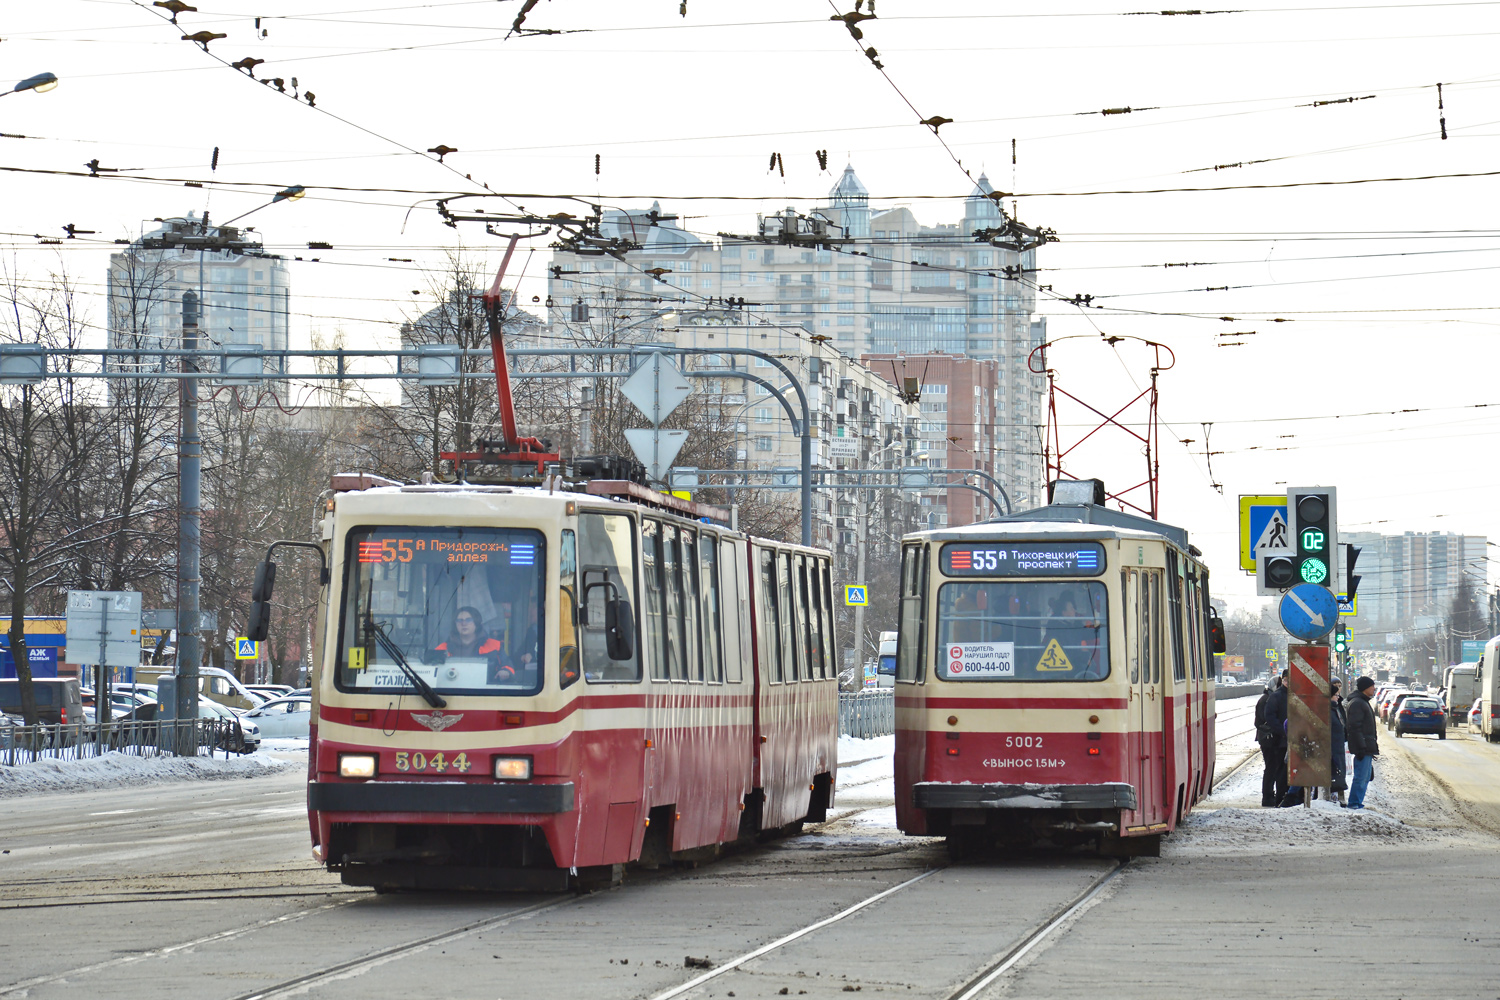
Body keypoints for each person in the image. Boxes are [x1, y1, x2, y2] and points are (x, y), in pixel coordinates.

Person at [1345, 675, 1380, 809]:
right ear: (1365, 688)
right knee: (1361, 777)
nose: (1374, 689)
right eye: (1372, 686)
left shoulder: (1362, 701)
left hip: (1365, 746)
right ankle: (1354, 803)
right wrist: (1361, 747)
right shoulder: (1358, 703)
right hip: (1363, 747)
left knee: (1365, 777)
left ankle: (1357, 802)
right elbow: (1354, 727)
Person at [437, 606, 502, 658]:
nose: (464, 623)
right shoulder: (442, 648)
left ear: (477, 622)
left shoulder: (494, 645)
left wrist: (505, 670)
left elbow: (507, 665)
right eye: (460, 620)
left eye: (468, 620)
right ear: (455, 624)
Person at [1266, 669, 1290, 805]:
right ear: (1283, 680)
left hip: (1296, 739)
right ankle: (1280, 797)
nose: (1288, 682)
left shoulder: (1298, 695)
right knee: (1281, 770)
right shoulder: (1276, 696)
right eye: (1286, 680)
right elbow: (1270, 716)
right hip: (1281, 741)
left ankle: (1292, 796)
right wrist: (1282, 731)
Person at [1255, 677, 1279, 807]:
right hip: (1267, 739)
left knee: (1271, 767)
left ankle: (1269, 794)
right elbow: (1261, 721)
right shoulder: (1266, 700)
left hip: (1266, 738)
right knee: (1271, 768)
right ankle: (1268, 796)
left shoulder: (1266, 698)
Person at [1329, 677, 1349, 806]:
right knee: (1333, 773)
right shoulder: (1329, 710)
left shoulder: (1337, 706)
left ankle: (1337, 796)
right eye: (1335, 694)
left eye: (1339, 685)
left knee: (1338, 772)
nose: (1338, 696)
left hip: (1338, 746)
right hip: (1332, 748)